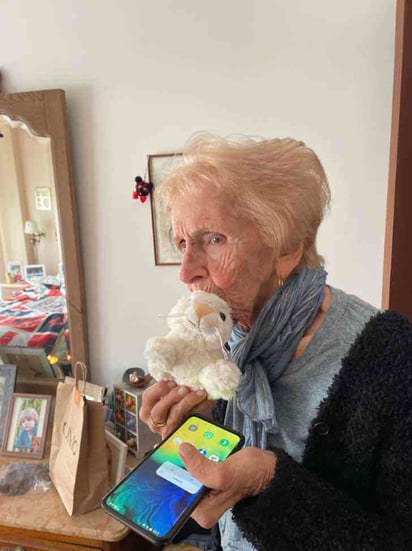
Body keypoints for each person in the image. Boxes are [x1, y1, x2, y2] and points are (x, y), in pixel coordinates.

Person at [140, 133, 412, 550]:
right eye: (182, 244)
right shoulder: (229, 337)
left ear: (285, 248)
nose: (186, 272)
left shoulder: (393, 358)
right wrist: (200, 428)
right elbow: (226, 525)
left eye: (213, 239)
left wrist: (270, 481)